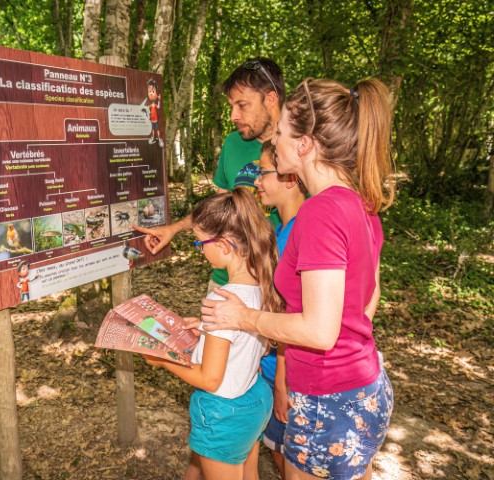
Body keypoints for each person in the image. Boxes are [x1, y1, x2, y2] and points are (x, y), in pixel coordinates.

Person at [199, 77, 396, 480]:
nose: (275, 140)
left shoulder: (320, 214)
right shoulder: (361, 202)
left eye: (283, 133)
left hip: (330, 397)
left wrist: (244, 319)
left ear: (304, 145)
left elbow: (320, 331)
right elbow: (369, 298)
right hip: (362, 384)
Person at [144, 187, 282, 480]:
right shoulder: (262, 283)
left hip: (224, 412)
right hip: (254, 398)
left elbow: (210, 378)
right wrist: (205, 331)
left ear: (223, 246)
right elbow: (244, 343)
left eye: (200, 242)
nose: (200, 249)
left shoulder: (223, 299)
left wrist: (163, 360)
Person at [135, 57, 285, 291]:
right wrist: (172, 229)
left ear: (271, 99)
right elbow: (219, 210)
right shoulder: (233, 143)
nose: (233, 116)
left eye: (242, 105)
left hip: (279, 280)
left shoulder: (303, 147)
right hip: (227, 280)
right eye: (231, 107)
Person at [254, 141, 306, 479]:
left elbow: (294, 315)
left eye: (263, 172)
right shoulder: (277, 227)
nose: (256, 179)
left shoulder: (302, 233)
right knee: (276, 450)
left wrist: (282, 384)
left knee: (293, 460)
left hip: (290, 374)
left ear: (289, 178)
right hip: (273, 365)